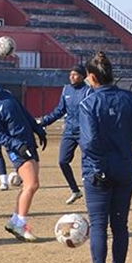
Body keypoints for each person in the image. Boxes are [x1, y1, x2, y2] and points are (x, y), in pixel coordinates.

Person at [77, 52, 132, 263]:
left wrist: (98, 168)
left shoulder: (87, 103)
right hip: (124, 170)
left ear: (91, 77)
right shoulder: (130, 99)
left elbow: (89, 142)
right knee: (120, 225)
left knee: (99, 225)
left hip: (97, 173)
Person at [0, 73, 48, 242]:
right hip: (18, 148)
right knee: (32, 184)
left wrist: (38, 129)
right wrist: (18, 146)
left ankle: (15, 221)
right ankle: (21, 225)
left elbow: (24, 113)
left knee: (28, 185)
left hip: (28, 143)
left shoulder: (6, 95)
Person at [39, 65, 92, 205]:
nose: (72, 77)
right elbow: (59, 110)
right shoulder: (66, 90)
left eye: (75, 74)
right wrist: (44, 121)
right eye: (70, 75)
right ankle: (75, 191)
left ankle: (93, 193)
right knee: (62, 161)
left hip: (84, 132)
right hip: (69, 131)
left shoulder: (88, 92)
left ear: (82, 76)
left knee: (87, 164)